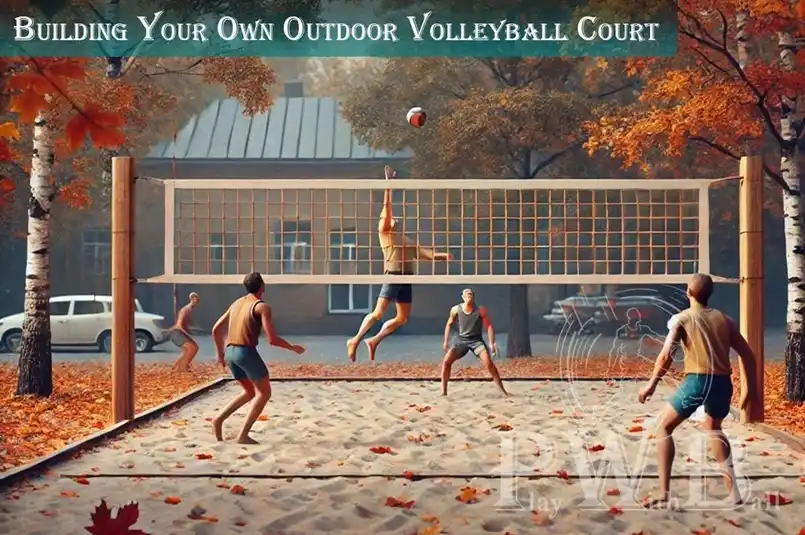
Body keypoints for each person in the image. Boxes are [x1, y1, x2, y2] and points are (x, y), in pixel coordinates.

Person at [637, 273, 756, 508]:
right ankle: (733, 493)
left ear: (688, 293)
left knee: (664, 427)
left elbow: (666, 356)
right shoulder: (726, 320)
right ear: (709, 295)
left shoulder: (682, 319)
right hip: (723, 382)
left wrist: (651, 384)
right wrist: (748, 390)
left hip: (698, 380)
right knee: (714, 428)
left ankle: (663, 492)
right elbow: (748, 355)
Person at [346, 165, 453, 362]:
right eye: (391, 218)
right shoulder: (385, 232)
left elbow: (425, 254)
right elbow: (387, 209)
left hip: (406, 278)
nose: (394, 219)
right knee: (378, 313)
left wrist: (443, 256)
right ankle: (355, 340)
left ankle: (374, 340)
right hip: (393, 275)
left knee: (402, 318)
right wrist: (389, 185)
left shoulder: (406, 240)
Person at [211, 272, 305, 444]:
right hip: (245, 352)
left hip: (230, 352)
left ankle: (218, 419)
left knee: (249, 392)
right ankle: (243, 435)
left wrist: (220, 355)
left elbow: (216, 329)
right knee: (264, 393)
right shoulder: (262, 307)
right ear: (262, 286)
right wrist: (292, 348)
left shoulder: (237, 303)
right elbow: (272, 339)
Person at [441, 288, 508, 397]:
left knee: (488, 362)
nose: (469, 295)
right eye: (467, 294)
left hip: (476, 341)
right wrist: (445, 341)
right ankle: (444, 391)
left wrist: (492, 343)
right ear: (462, 297)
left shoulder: (480, 310)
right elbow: (449, 324)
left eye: (471, 294)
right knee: (446, 362)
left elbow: (489, 326)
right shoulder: (455, 309)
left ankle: (502, 390)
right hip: (461, 340)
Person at [170, 292, 200, 372]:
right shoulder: (185, 310)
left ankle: (176, 366)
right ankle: (183, 367)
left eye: (198, 300)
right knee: (193, 348)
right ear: (193, 299)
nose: (197, 302)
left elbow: (185, 326)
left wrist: (191, 332)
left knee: (187, 350)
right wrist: (188, 335)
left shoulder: (189, 310)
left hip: (179, 333)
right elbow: (179, 326)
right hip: (176, 333)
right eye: (196, 300)